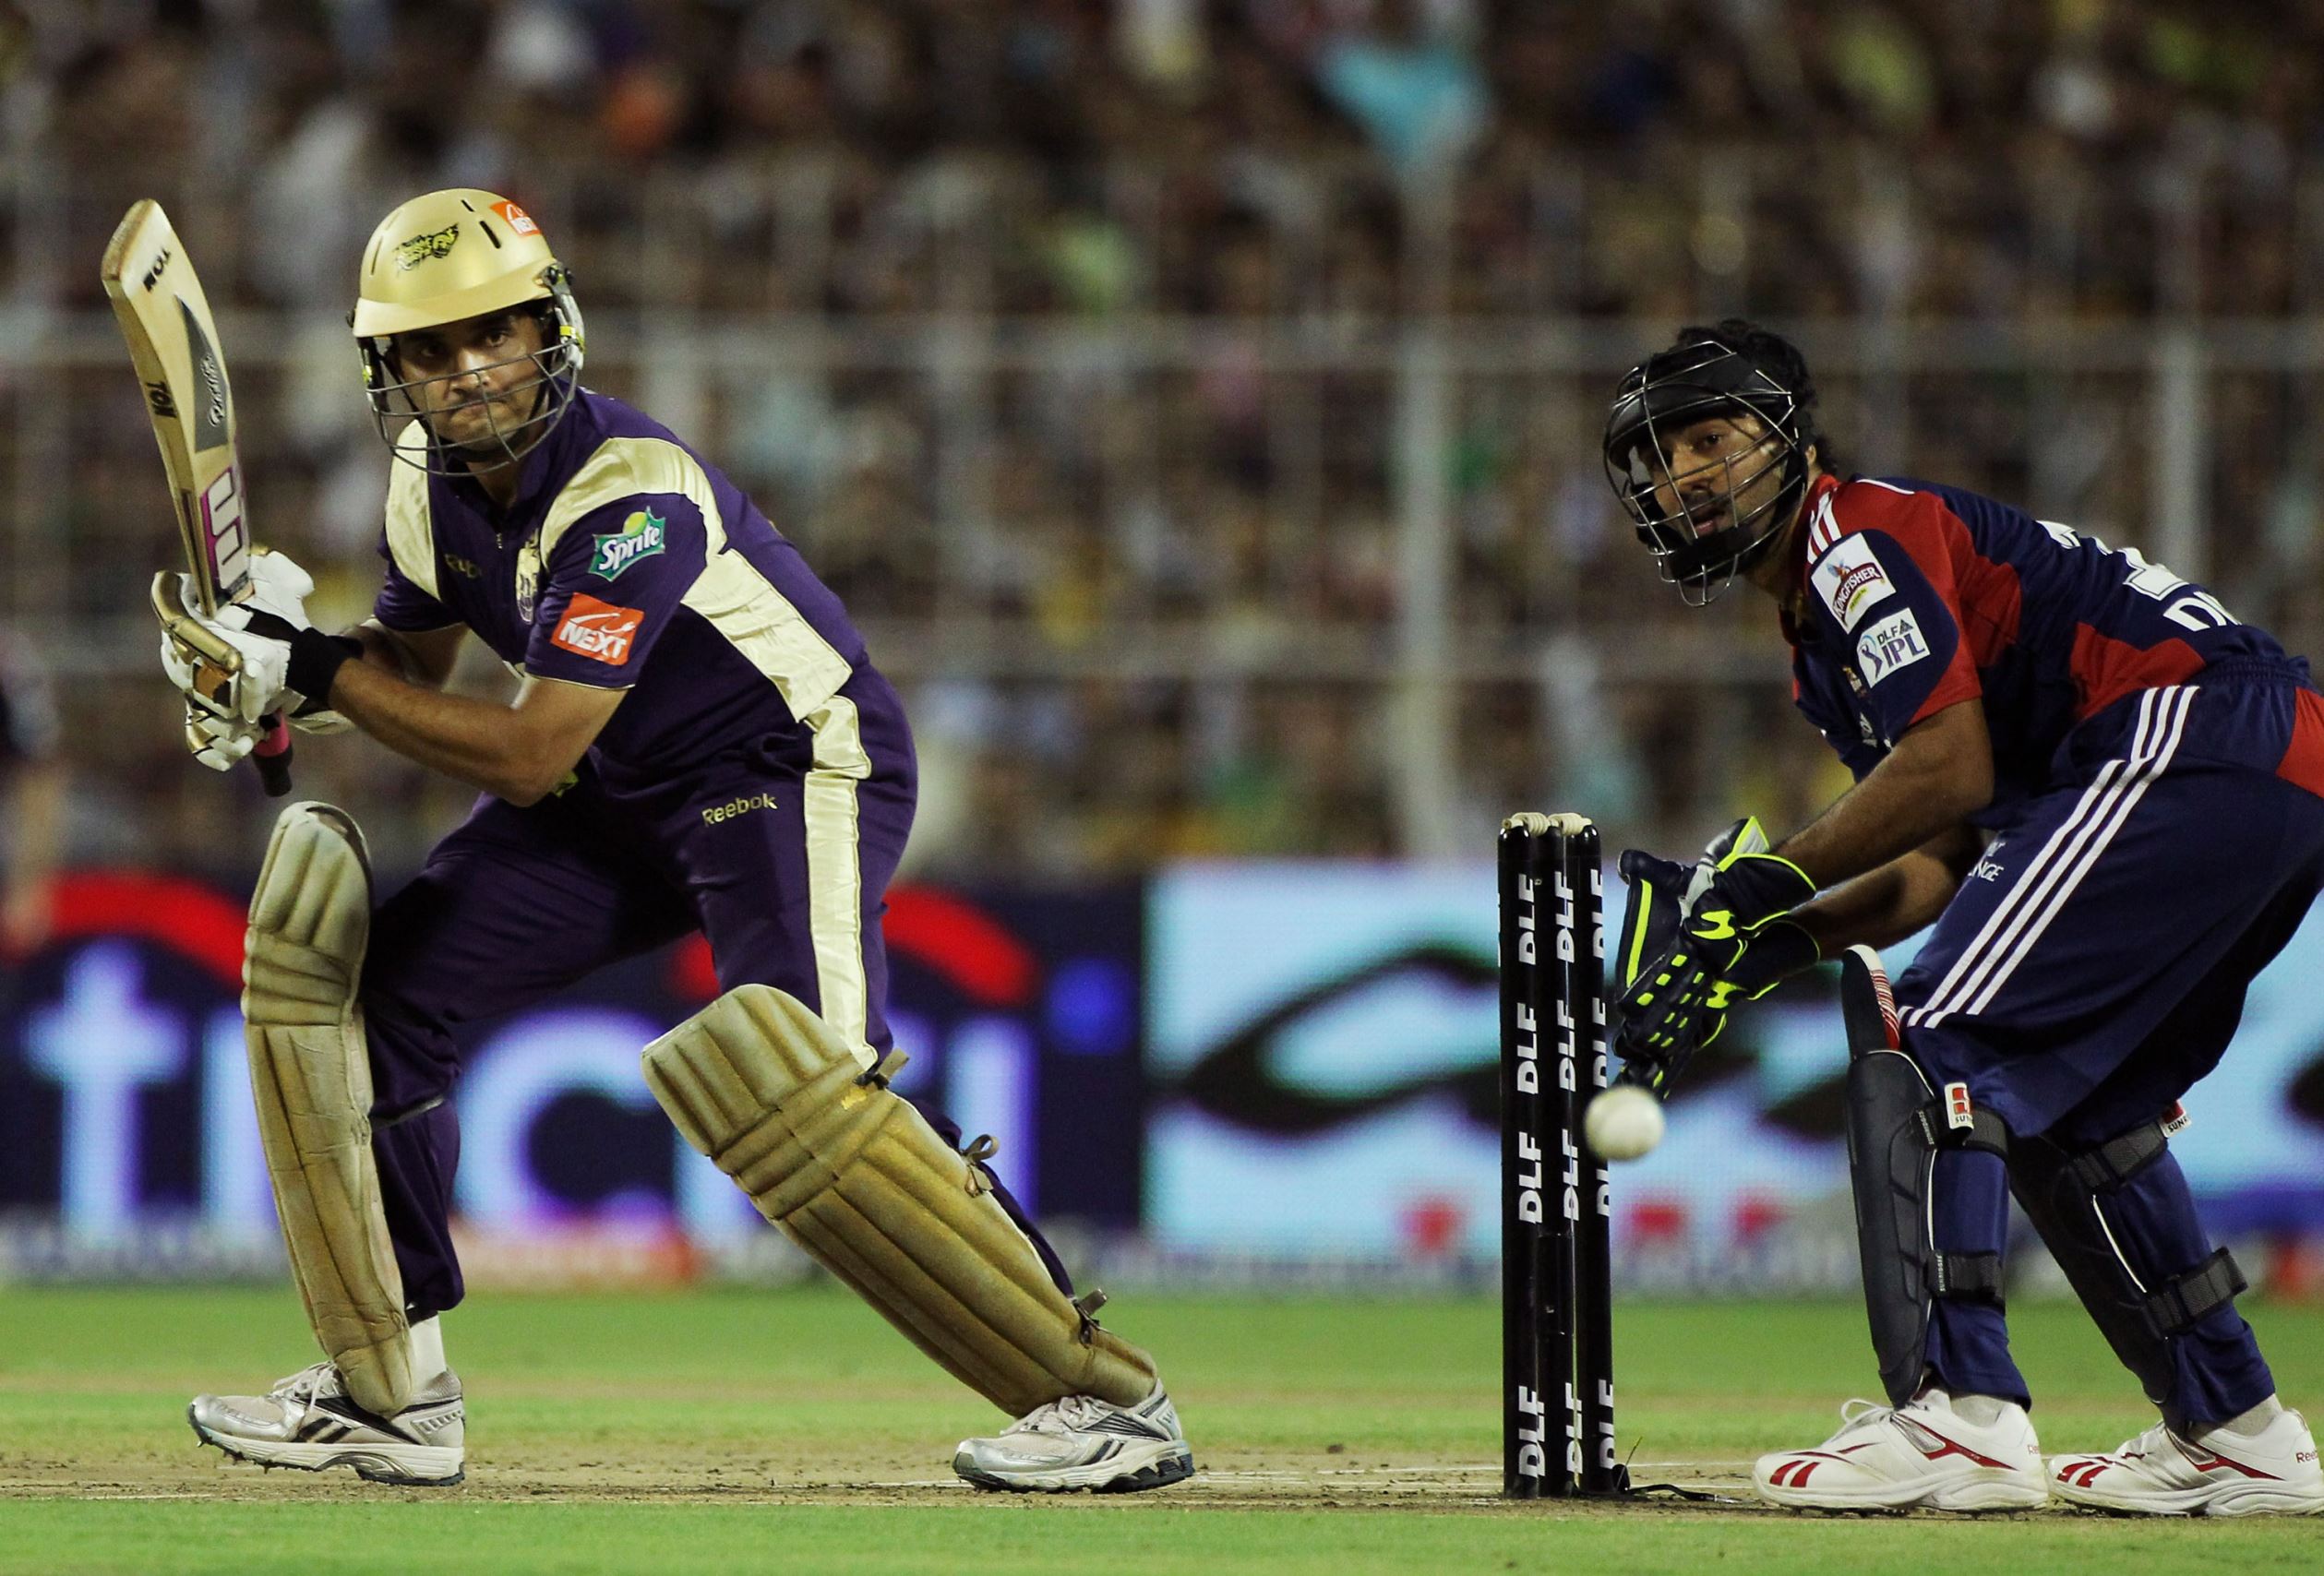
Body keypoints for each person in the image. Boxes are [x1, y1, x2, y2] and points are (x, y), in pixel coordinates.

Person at [152, 189, 1193, 1495]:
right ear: (389, 370)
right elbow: (408, 670)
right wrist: (279, 667)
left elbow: (521, 745)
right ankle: (391, 1395)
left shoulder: (631, 498)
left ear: (553, 329)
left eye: (499, 330)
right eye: (432, 347)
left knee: (812, 1080)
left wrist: (317, 671)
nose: (470, 368)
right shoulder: (425, 491)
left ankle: (1103, 1400)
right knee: (381, 998)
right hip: (608, 791)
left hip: (780, 760)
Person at [1599, 318, 2324, 1516]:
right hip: (2258, 761)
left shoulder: (1850, 539)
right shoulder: (1824, 629)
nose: (1684, 476)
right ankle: (2234, 1429)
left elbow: (1946, 767)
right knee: (2072, 1104)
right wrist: (1769, 944)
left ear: (1787, 437)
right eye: (1661, 458)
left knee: (1934, 1037)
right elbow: (1941, 854)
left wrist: (1757, 883)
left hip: (2184, 737)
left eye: (1710, 439)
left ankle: (1961, 1418)